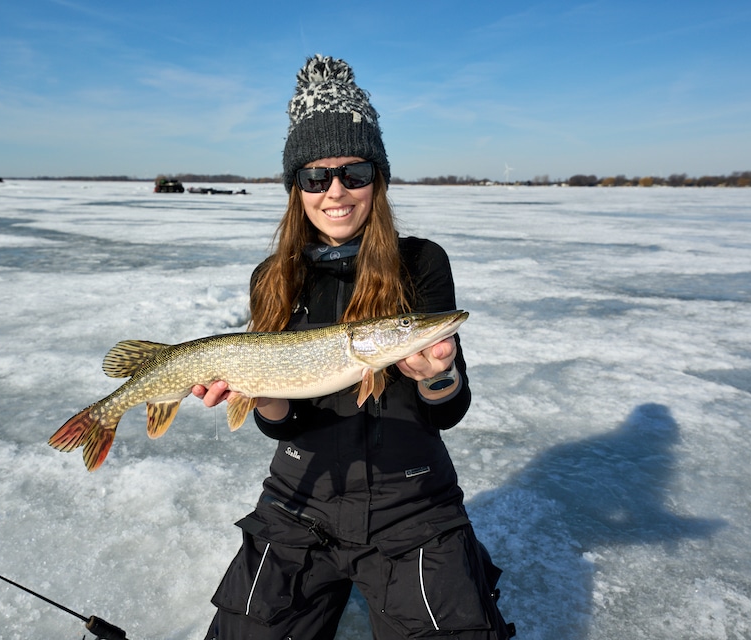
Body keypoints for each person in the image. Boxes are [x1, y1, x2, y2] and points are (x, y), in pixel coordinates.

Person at [193, 54, 514, 640]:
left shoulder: (421, 262)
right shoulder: (273, 275)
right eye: (316, 176)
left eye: (354, 172)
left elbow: (448, 409)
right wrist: (263, 399)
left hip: (413, 503)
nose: (335, 192)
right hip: (298, 498)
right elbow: (284, 425)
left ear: (378, 180)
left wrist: (435, 377)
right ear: (297, 188)